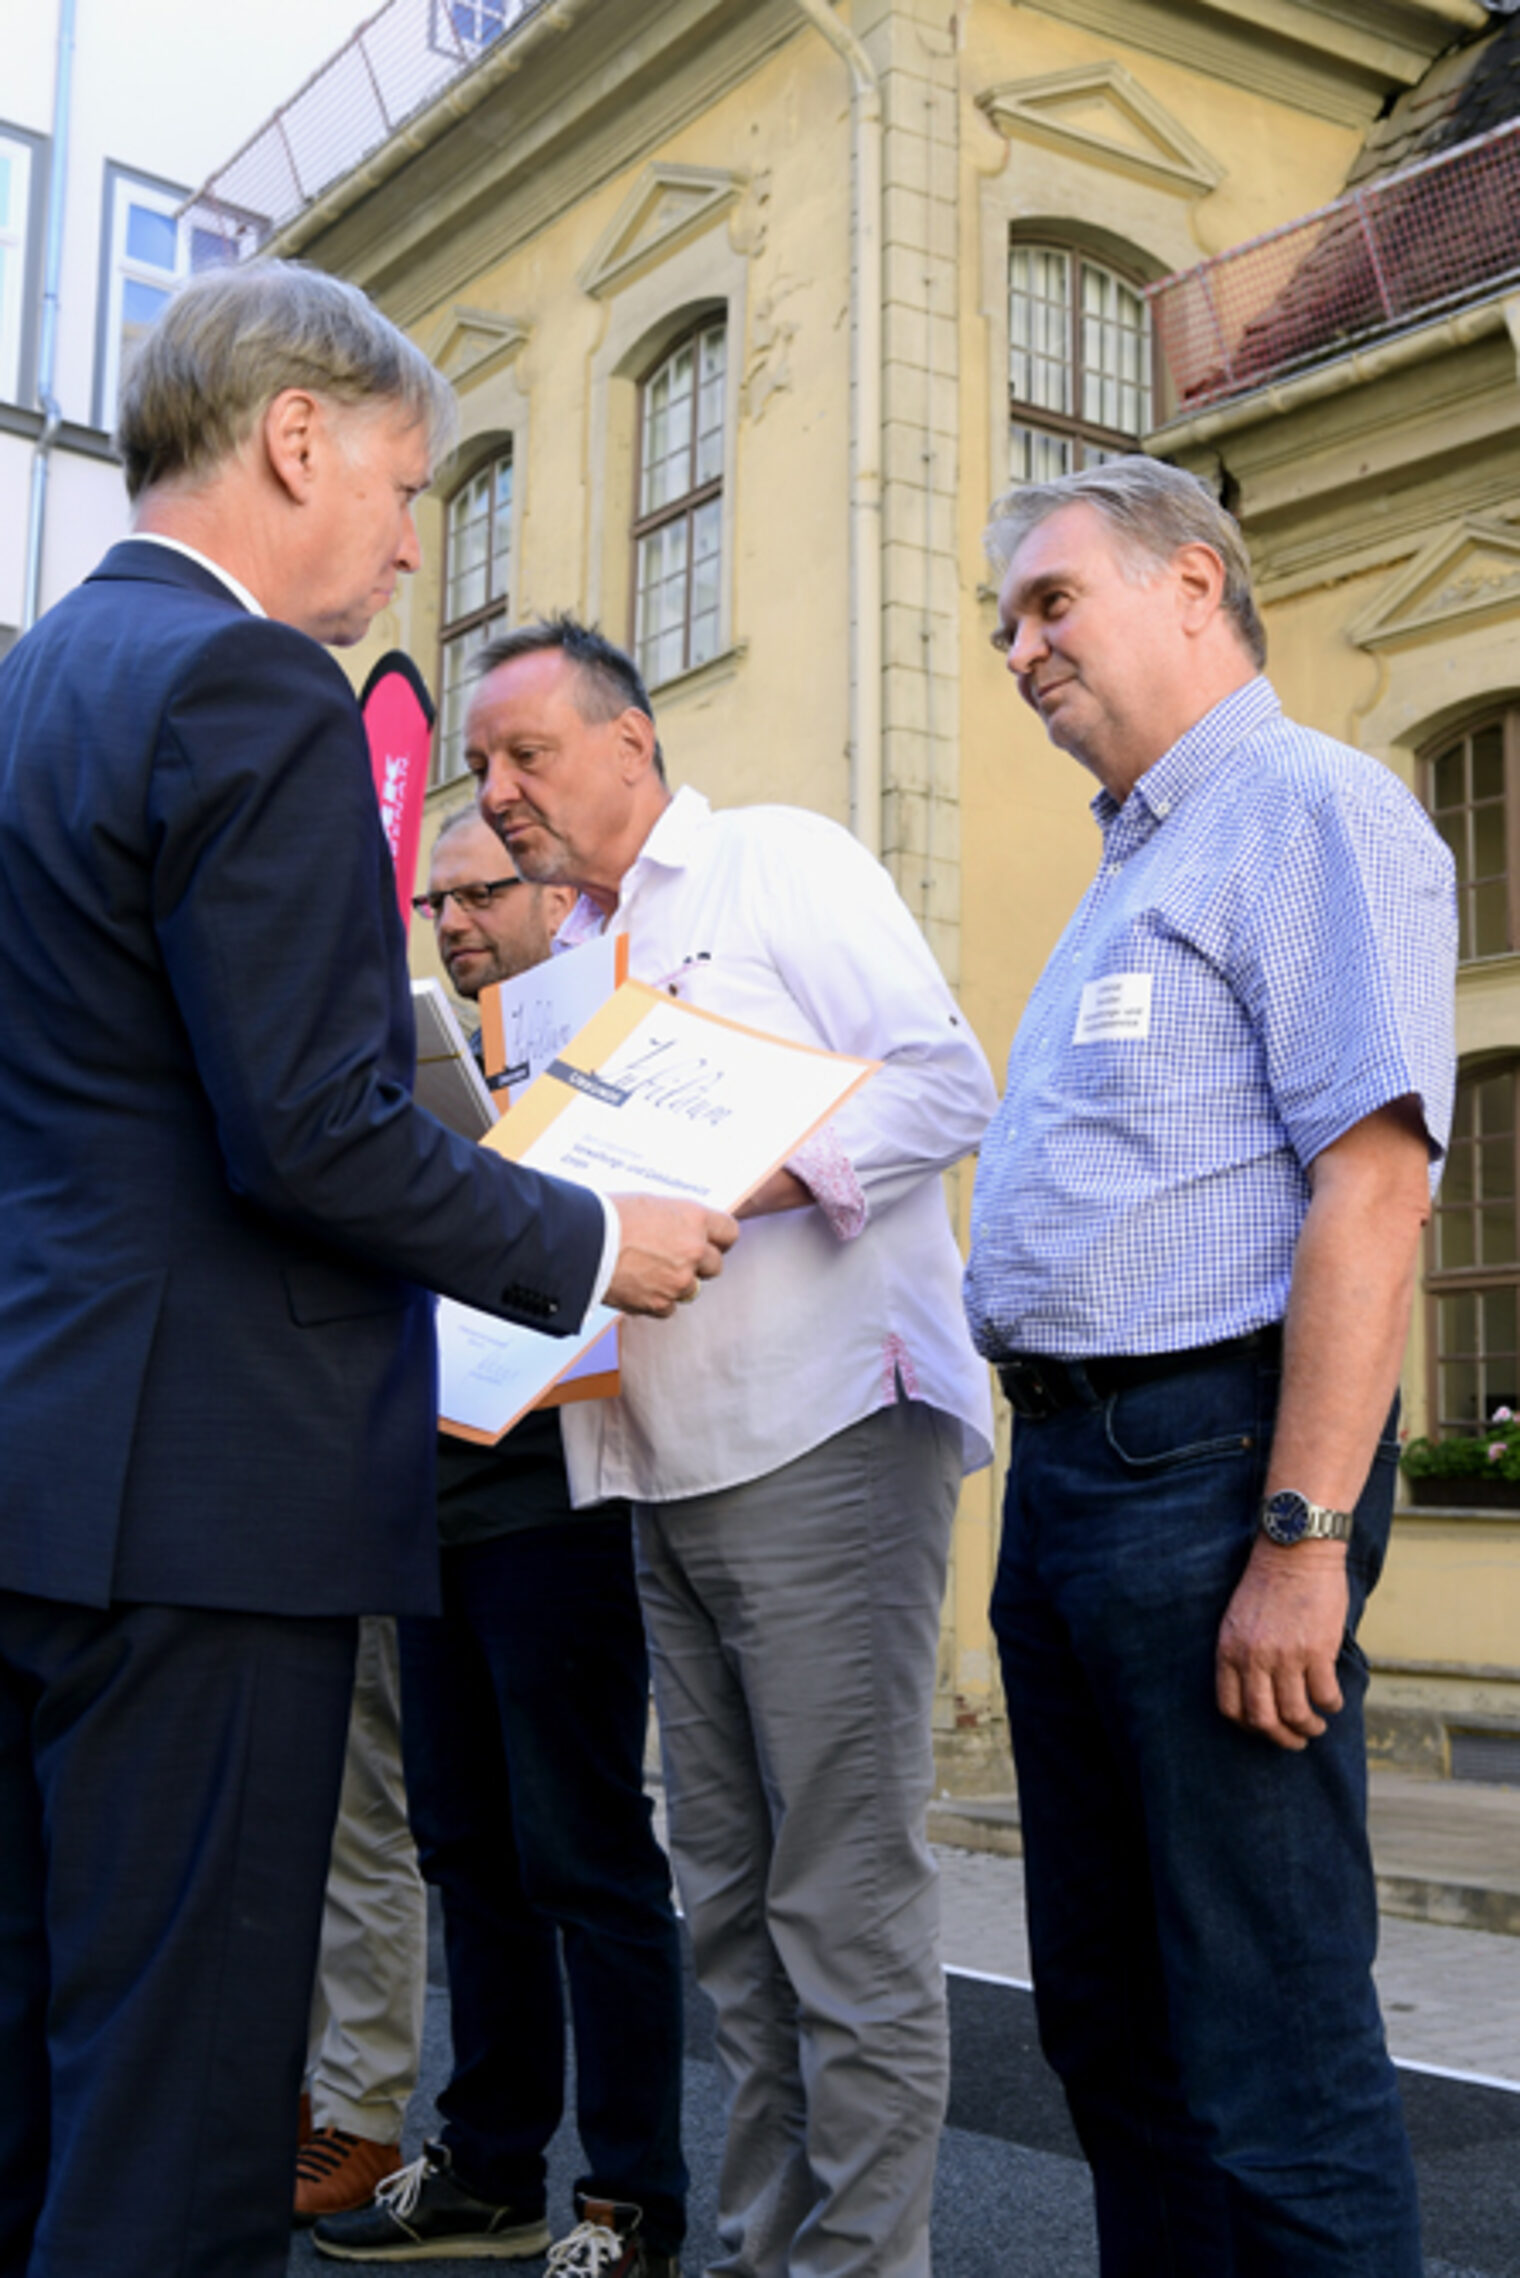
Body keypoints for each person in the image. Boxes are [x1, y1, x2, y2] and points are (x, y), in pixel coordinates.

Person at [0, 262, 733, 2278]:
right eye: (408, 480)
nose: (418, 537)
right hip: (206, 1501)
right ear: (295, 436)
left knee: (46, 2076)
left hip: (46, 1467)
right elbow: (312, 1127)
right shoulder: (249, 692)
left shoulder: (32, 679)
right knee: (180, 2108)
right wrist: (593, 1232)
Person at [964, 455, 1456, 2276]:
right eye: (1006, 620)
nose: (1020, 649)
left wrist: (1305, 1535)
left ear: (1193, 583)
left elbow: (1376, 1182)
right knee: (1115, 2028)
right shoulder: (1142, 860)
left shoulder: (1307, 807)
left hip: (1211, 1468)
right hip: (1080, 1478)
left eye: (1051, 602)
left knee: (1268, 2044)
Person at [462, 617, 998, 2278]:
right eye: (482, 766)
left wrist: (730, 1186)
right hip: (644, 1460)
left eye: (526, 755)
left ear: (633, 741)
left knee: (839, 1896)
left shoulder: (779, 864)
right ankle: (771, 2244)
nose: (500, 793)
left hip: (823, 1431)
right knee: (729, 1903)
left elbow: (943, 1082)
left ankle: (862, 2260)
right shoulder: (564, 963)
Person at [313, 807, 688, 2277]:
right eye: (434, 900)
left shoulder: (616, 1028)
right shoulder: (432, 1058)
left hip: (564, 1492)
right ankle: (488, 2164)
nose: (454, 920)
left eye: (479, 893)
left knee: (585, 1852)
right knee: (462, 1844)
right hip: (436, 1481)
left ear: (560, 896)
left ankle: (634, 2199)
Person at [294, 1615, 427, 2223]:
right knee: (275, 1824)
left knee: (363, 1810)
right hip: (257, 1546)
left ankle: (358, 2114)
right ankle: (301, 2096)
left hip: (357, 1543)